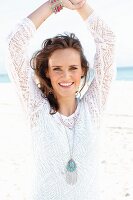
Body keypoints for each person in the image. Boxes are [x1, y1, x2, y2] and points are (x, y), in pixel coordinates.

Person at [7, 0, 116, 199]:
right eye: (57, 69)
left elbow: (107, 41)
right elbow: (14, 44)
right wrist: (54, 4)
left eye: (73, 68)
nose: (66, 76)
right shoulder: (35, 108)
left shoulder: (93, 107)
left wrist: (80, 5)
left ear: (83, 71)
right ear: (47, 72)